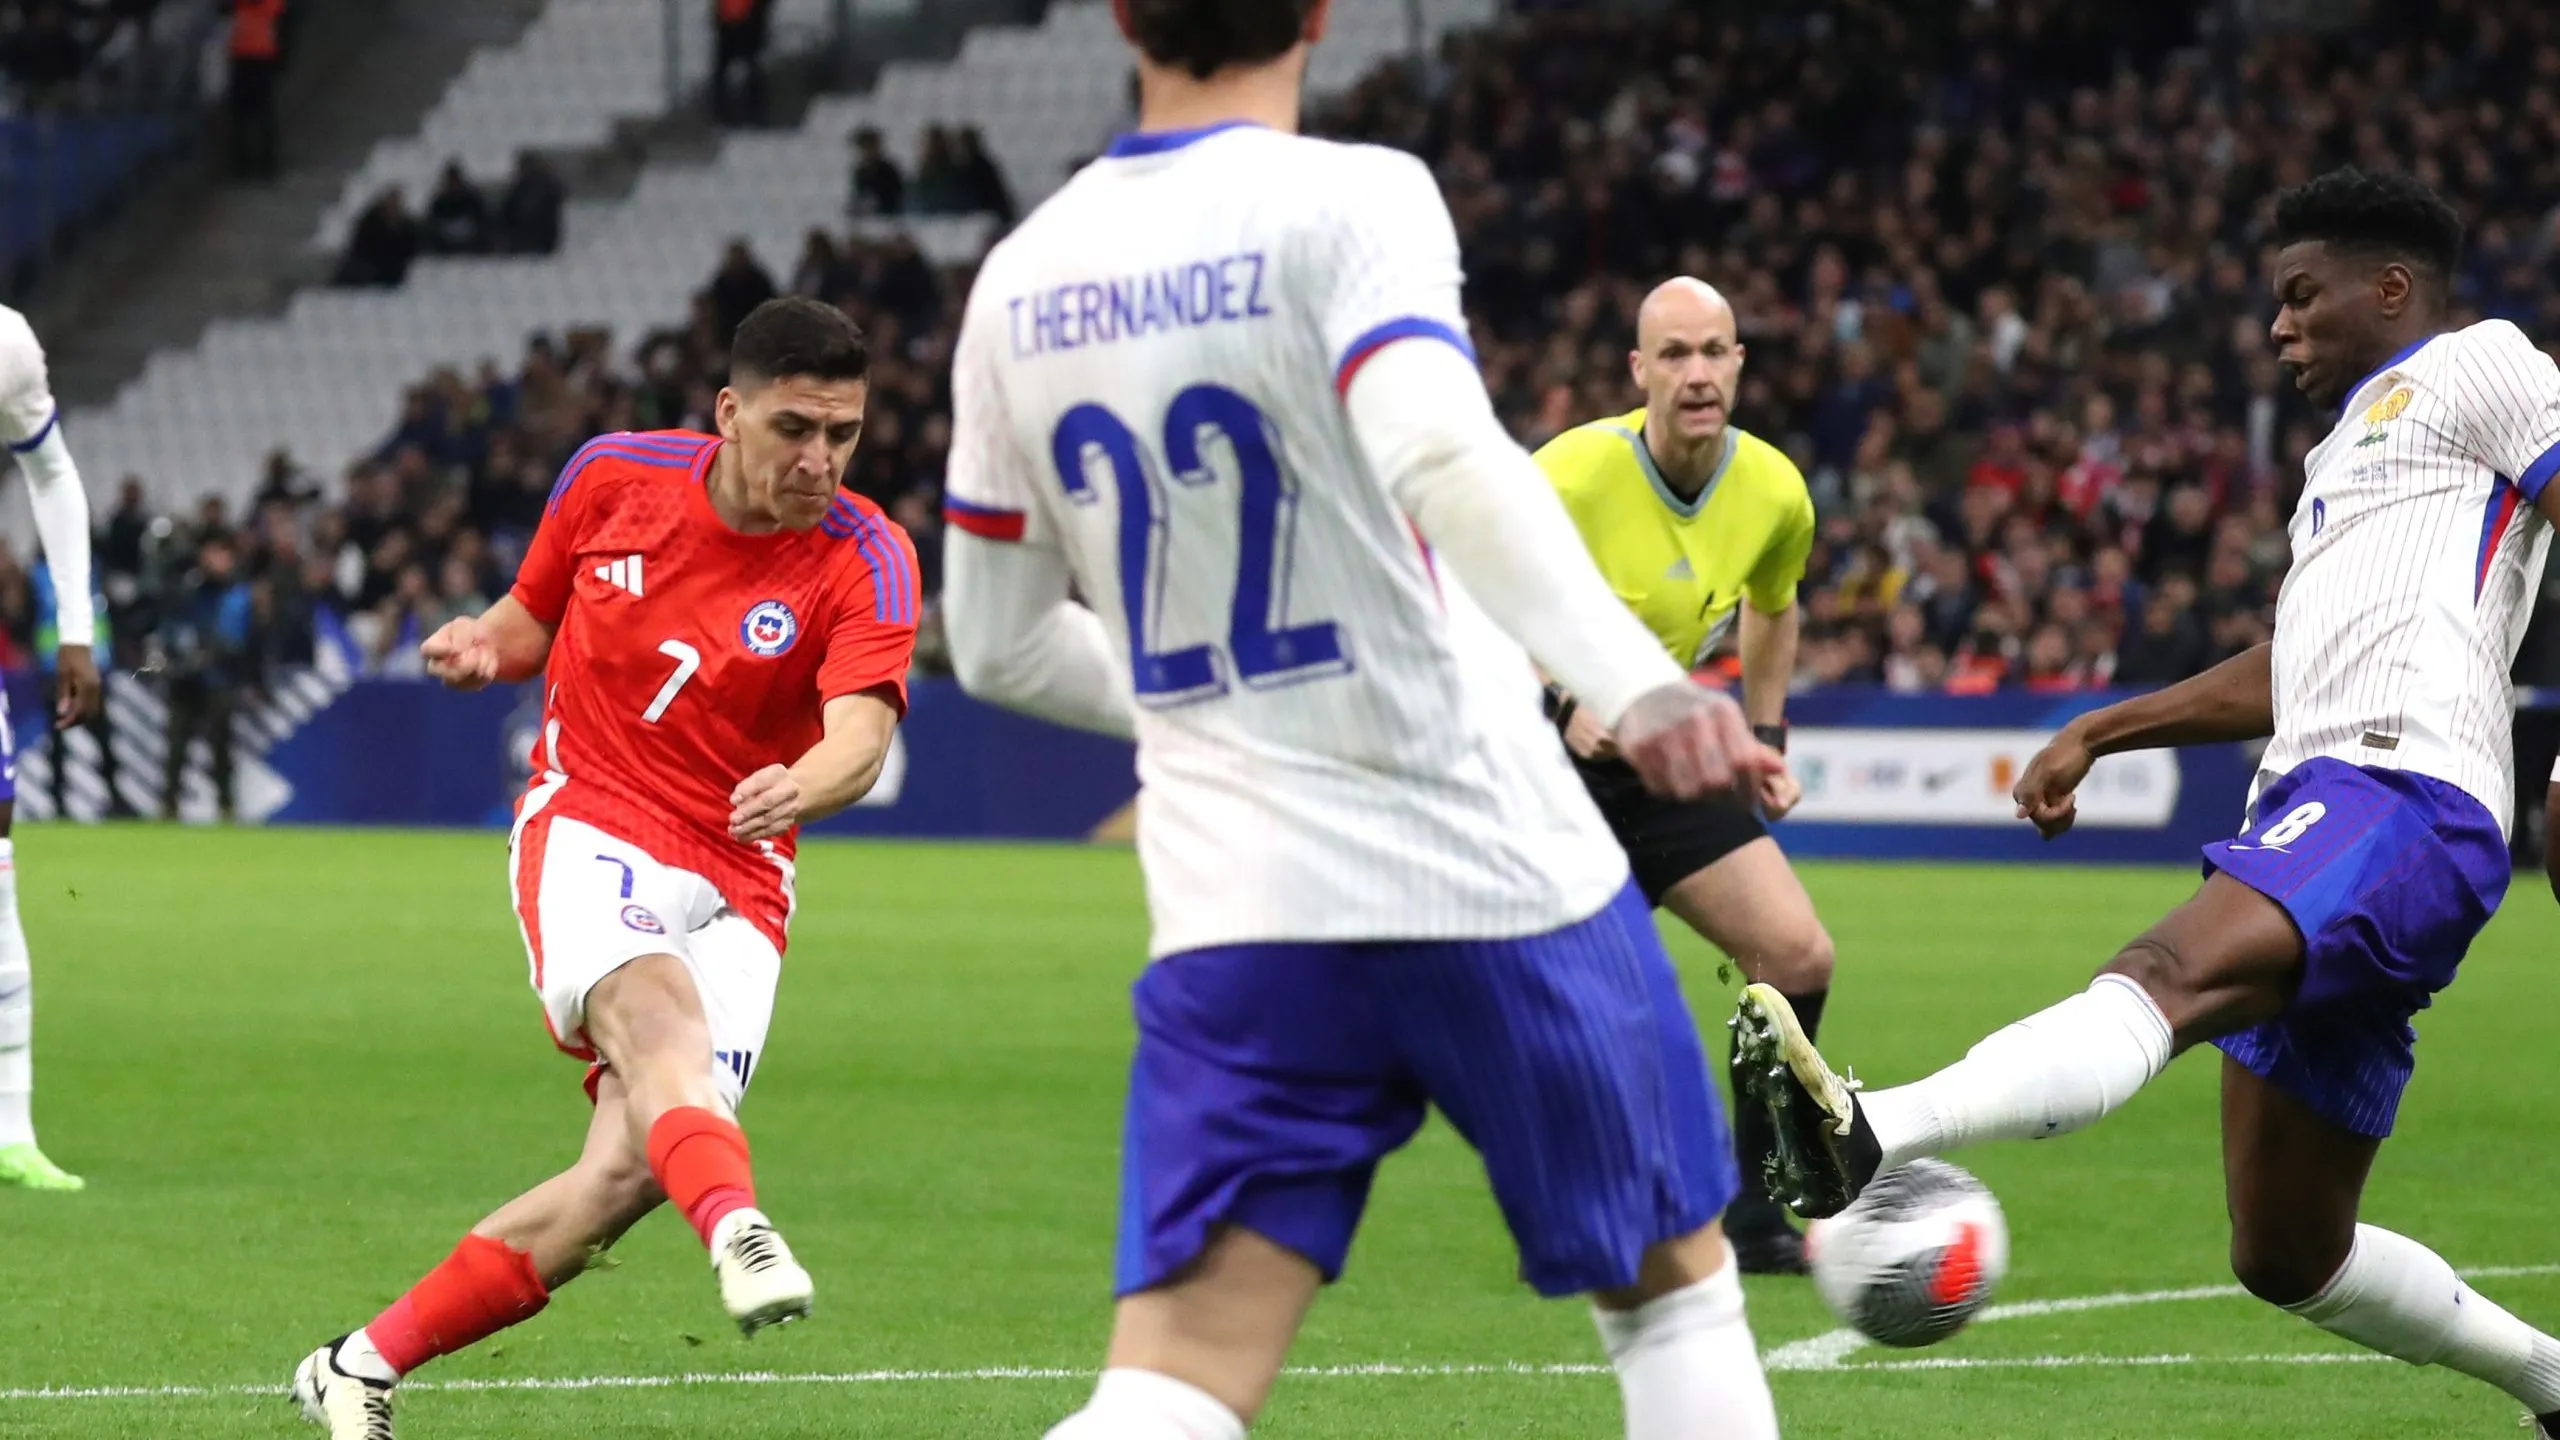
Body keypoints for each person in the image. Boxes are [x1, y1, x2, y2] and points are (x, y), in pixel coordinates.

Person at [940, 4, 1785, 1438]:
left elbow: (997, 640)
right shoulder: (1353, 195)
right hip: (1484, 858)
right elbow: (1441, 447)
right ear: (1322, 15)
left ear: (1122, 15)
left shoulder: (1020, 282)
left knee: (1181, 1372)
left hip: (1241, 908)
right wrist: (1635, 685)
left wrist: (1211, 708)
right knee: (1675, 1295)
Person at [1736, 167, 2560, 1435]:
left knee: (2160, 972)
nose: (2277, 326)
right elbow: (2290, 663)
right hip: (2330, 804)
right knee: (2286, 1251)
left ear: (2391, 288)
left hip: (2406, 791)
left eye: (2300, 296)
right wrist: (2100, 730)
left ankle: (1871, 1128)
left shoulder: (2486, 364)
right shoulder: (2345, 449)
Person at [288, 298, 920, 1439]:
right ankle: (738, 1226)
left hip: (747, 869)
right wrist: (486, 642)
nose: (819, 460)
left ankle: (355, 1365)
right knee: (659, 1025)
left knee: (619, 1182)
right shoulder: (611, 477)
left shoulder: (869, 555)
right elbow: (531, 612)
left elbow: (861, 735)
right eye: (793, 429)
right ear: (730, 413)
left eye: (843, 435)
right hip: (597, 817)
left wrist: (809, 784)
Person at [1532, 276, 1830, 1275]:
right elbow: (1463, 590)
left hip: (1650, 758)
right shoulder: (1572, 472)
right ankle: (1595, 1211)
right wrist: (1560, 701)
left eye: (1714, 352)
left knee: (1794, 956)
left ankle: (1754, 1215)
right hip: (1529, 764)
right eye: (1673, 355)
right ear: (1638, 371)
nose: (1696, 374)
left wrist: (1766, 738)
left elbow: (1774, 605)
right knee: (1594, 1012)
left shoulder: (1774, 491)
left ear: (1739, 363)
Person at [0, 306, 103, 1192]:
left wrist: (76, 626)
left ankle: (12, 1127)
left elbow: (53, 472)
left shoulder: (6, 341)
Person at [228, 0, 286, 180]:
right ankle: (261, 163)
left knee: (247, 115)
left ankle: (248, 163)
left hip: (247, 54)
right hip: (258, 53)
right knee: (259, 114)